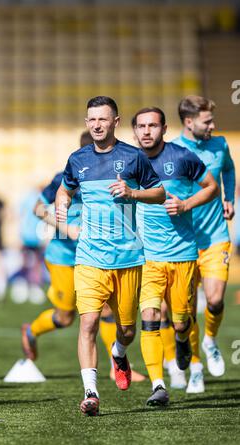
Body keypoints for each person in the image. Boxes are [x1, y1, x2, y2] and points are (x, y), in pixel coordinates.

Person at [56, 96, 165, 416]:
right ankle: (91, 392)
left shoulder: (134, 157)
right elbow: (65, 189)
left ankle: (119, 353)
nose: (96, 125)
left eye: (103, 120)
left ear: (116, 122)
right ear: (86, 122)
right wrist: (62, 206)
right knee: (88, 322)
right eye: (91, 120)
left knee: (127, 330)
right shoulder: (77, 159)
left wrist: (133, 193)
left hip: (129, 258)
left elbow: (159, 193)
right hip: (89, 257)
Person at [21, 130, 146, 383]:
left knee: (109, 311)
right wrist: (66, 228)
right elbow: (37, 208)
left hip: (97, 256)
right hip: (64, 258)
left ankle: (116, 365)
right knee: (65, 317)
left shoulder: (116, 175)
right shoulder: (66, 176)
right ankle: (31, 330)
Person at [132, 107, 218, 406]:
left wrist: (186, 205)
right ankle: (158, 384)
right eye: (141, 126)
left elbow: (211, 187)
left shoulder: (182, 157)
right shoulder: (128, 162)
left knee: (181, 323)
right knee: (151, 317)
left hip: (183, 255)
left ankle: (182, 341)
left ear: (164, 128)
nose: (146, 131)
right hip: (148, 259)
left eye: (152, 126)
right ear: (134, 131)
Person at [170, 96, 236, 392]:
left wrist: (229, 197)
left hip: (216, 237)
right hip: (182, 243)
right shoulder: (172, 151)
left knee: (214, 300)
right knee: (185, 311)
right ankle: (195, 367)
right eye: (207, 121)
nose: (213, 125)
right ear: (189, 122)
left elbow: (229, 170)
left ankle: (210, 340)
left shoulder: (219, 144)